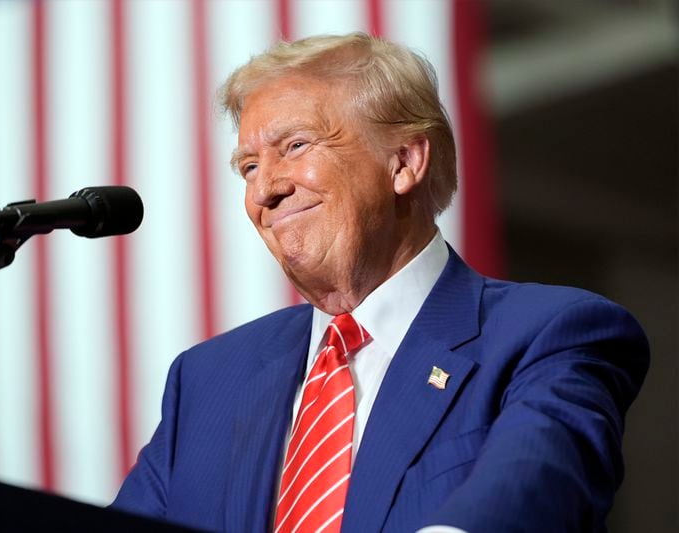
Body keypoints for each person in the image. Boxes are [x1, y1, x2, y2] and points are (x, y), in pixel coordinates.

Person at [112, 33, 648, 533]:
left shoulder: (547, 336)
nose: (265, 190)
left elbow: (534, 480)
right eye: (249, 167)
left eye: (295, 146)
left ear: (404, 162)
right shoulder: (206, 381)